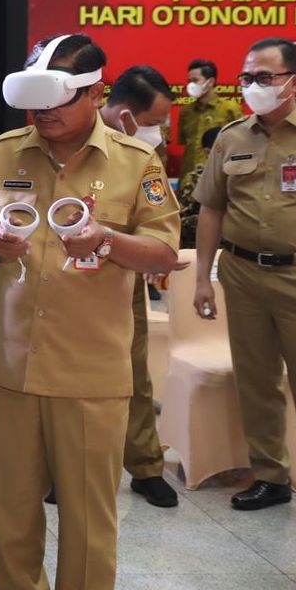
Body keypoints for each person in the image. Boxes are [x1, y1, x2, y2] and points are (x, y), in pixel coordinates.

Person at [0, 33, 178, 590]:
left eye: (57, 100)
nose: (44, 113)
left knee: (87, 508)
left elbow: (165, 250)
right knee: (11, 502)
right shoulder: (1, 152)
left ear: (96, 93)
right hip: (10, 359)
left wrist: (108, 239)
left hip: (91, 364)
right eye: (36, 101)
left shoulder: (135, 161)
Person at [192, 37, 296, 512]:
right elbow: (211, 210)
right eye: (247, 78)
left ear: (294, 82)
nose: (252, 86)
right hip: (241, 273)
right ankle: (270, 476)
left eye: (264, 77)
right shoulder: (231, 137)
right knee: (256, 378)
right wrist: (202, 278)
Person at [97, 65, 180, 508]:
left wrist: (155, 251)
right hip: (61, 284)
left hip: (122, 279)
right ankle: (55, 470)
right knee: (57, 382)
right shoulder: (71, 142)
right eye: (153, 122)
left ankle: (146, 468)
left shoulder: (143, 155)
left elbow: (158, 215)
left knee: (134, 375)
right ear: (126, 114)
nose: (159, 132)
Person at [178, 58, 243, 182]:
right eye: (189, 81)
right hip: (189, 178)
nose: (190, 85)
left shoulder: (230, 109)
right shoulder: (185, 112)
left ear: (210, 82)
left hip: (219, 176)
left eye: (195, 80)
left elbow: (240, 146)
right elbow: (185, 144)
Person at [177, 125, 221, 249]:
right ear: (207, 153)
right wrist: (213, 218)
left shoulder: (241, 178)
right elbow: (179, 222)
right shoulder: (193, 181)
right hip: (200, 248)